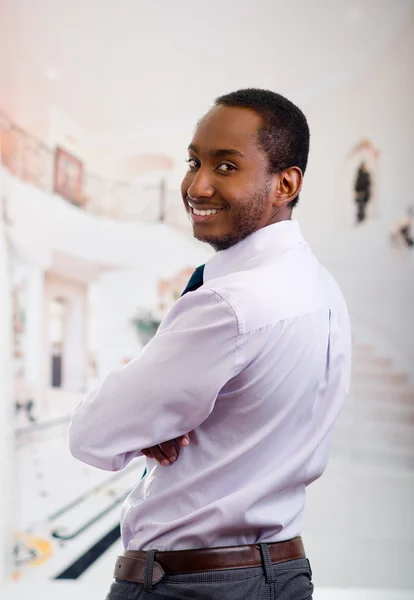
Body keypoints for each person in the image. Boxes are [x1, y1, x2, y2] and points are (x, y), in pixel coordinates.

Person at [69, 88, 351, 599]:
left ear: (285, 182)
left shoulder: (230, 303)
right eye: (193, 161)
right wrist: (159, 412)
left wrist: (149, 415)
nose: (197, 185)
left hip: (191, 585)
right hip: (282, 574)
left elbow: (92, 433)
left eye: (226, 166)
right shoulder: (322, 288)